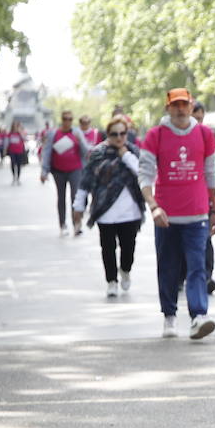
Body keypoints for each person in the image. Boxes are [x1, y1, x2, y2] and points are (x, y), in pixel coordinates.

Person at [139, 88, 215, 340]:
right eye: (175, 105)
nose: (180, 109)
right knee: (169, 267)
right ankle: (169, 316)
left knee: (197, 267)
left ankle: (199, 316)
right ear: (168, 108)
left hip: (197, 214)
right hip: (166, 216)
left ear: (191, 105)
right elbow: (145, 175)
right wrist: (153, 206)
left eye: (184, 104)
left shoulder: (205, 134)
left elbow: (210, 173)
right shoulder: (156, 135)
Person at [71, 118, 144, 297]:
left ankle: (125, 270)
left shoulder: (134, 151)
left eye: (122, 134)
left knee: (129, 249)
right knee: (108, 249)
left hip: (130, 211)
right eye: (114, 134)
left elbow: (143, 174)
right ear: (107, 135)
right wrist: (78, 205)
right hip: (105, 210)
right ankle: (111, 280)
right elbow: (86, 180)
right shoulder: (97, 153)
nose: (119, 138)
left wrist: (125, 154)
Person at [41, 110, 91, 236]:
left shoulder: (77, 132)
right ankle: (62, 224)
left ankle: (76, 224)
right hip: (58, 171)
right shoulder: (53, 133)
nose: (67, 121)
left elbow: (86, 152)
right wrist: (44, 171)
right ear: (62, 120)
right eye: (65, 119)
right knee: (61, 197)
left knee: (76, 197)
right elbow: (47, 152)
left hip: (75, 169)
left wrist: (80, 140)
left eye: (70, 119)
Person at [192, 99, 215, 294]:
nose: (197, 121)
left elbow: (212, 170)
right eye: (195, 117)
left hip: (203, 196)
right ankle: (181, 276)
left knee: (206, 238)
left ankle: (207, 276)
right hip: (182, 198)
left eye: (201, 118)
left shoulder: (209, 136)